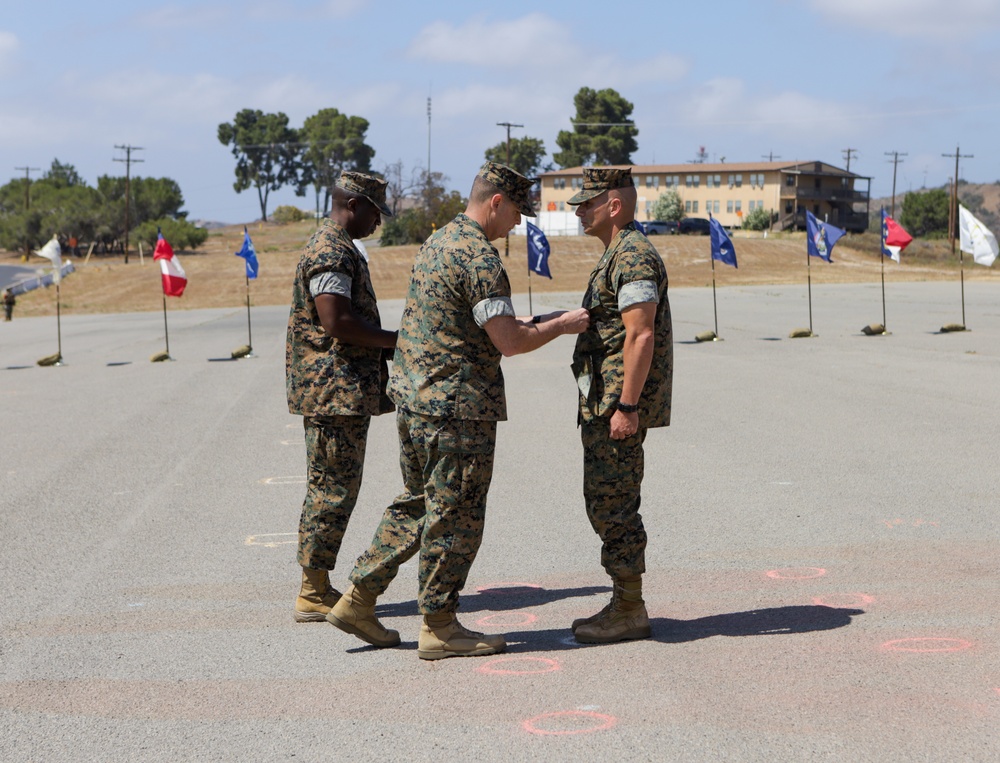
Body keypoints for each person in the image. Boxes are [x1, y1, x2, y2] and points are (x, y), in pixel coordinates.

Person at [327, 161, 590, 659]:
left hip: (416, 399)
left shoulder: (439, 242)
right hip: (456, 410)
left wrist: (542, 318)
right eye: (515, 212)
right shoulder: (480, 258)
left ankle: (358, 598)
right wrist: (560, 327)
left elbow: (473, 322)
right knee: (456, 513)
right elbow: (508, 341)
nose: (517, 223)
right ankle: (440, 625)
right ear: (496, 202)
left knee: (419, 503)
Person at [566, 167, 672, 644]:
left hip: (617, 406)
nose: (578, 210)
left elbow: (641, 332)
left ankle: (630, 608)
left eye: (587, 203)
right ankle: (624, 600)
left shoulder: (633, 256)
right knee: (605, 500)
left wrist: (627, 405)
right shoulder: (615, 254)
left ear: (613, 205)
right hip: (604, 401)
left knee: (615, 503)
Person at [286, 170, 397, 623]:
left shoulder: (340, 247)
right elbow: (337, 323)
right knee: (331, 488)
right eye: (373, 211)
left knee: (334, 486)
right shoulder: (331, 251)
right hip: (334, 392)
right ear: (352, 204)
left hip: (341, 390)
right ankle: (312, 591)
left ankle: (316, 584)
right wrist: (396, 340)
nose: (377, 221)